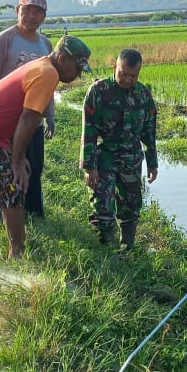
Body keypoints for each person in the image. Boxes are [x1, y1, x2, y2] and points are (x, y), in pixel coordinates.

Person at [0, 34, 91, 258]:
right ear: (64, 58)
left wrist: (17, 155)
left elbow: (23, 117)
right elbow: (29, 118)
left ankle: (16, 244)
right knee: (12, 185)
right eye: (77, 67)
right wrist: (16, 160)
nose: (78, 74)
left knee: (10, 184)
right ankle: (17, 251)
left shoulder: (44, 66)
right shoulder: (48, 73)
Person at [0, 0, 56, 218]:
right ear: (17, 11)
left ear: (44, 16)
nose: (32, 16)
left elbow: (49, 82)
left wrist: (49, 115)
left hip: (33, 117)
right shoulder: (4, 40)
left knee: (34, 166)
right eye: (27, 11)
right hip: (7, 119)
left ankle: (34, 213)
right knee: (8, 168)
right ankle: (7, 216)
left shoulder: (45, 43)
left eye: (37, 12)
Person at [80, 48, 159, 250]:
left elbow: (149, 132)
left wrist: (152, 163)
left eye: (133, 76)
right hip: (104, 157)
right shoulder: (98, 91)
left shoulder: (143, 94)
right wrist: (89, 166)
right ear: (114, 67)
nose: (127, 80)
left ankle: (127, 250)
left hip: (132, 159)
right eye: (123, 74)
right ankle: (106, 251)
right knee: (102, 207)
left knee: (131, 207)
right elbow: (88, 130)